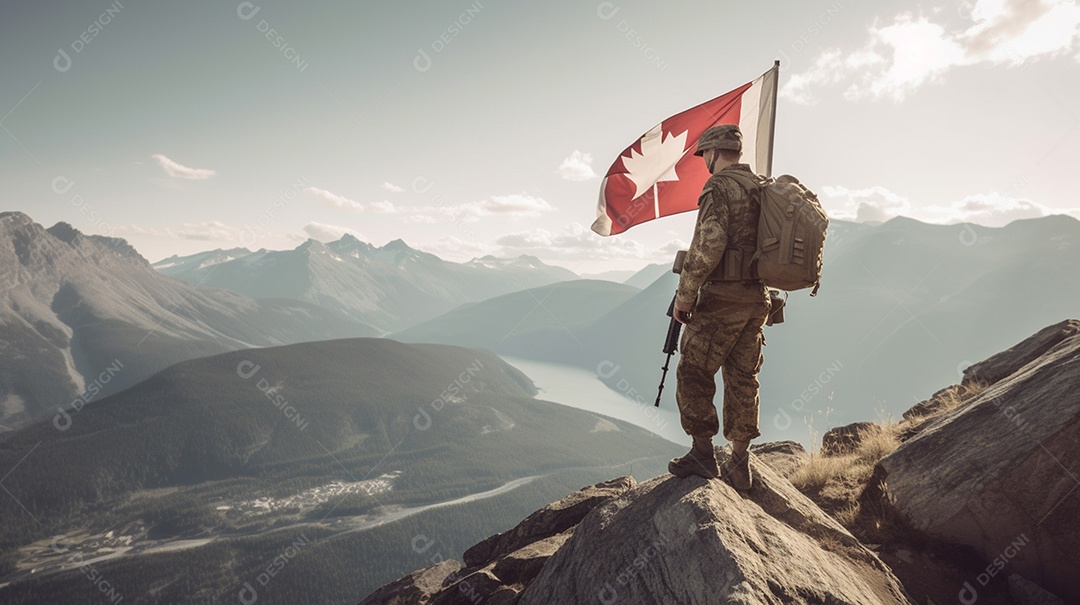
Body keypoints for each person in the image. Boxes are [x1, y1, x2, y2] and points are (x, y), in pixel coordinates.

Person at [667, 124, 770, 490]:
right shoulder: (762, 188)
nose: (704, 162)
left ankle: (701, 453)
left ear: (712, 152)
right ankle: (740, 464)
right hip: (758, 300)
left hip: (722, 300)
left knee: (694, 372)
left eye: (704, 156)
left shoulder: (718, 187)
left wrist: (685, 294)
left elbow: (710, 242)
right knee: (743, 379)